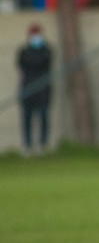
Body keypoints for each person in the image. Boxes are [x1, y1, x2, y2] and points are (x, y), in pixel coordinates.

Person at [17, 23, 53, 155]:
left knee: (43, 116)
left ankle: (43, 144)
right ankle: (27, 145)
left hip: (43, 89)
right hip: (27, 88)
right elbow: (24, 64)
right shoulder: (24, 51)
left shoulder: (46, 50)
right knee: (27, 117)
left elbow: (44, 62)